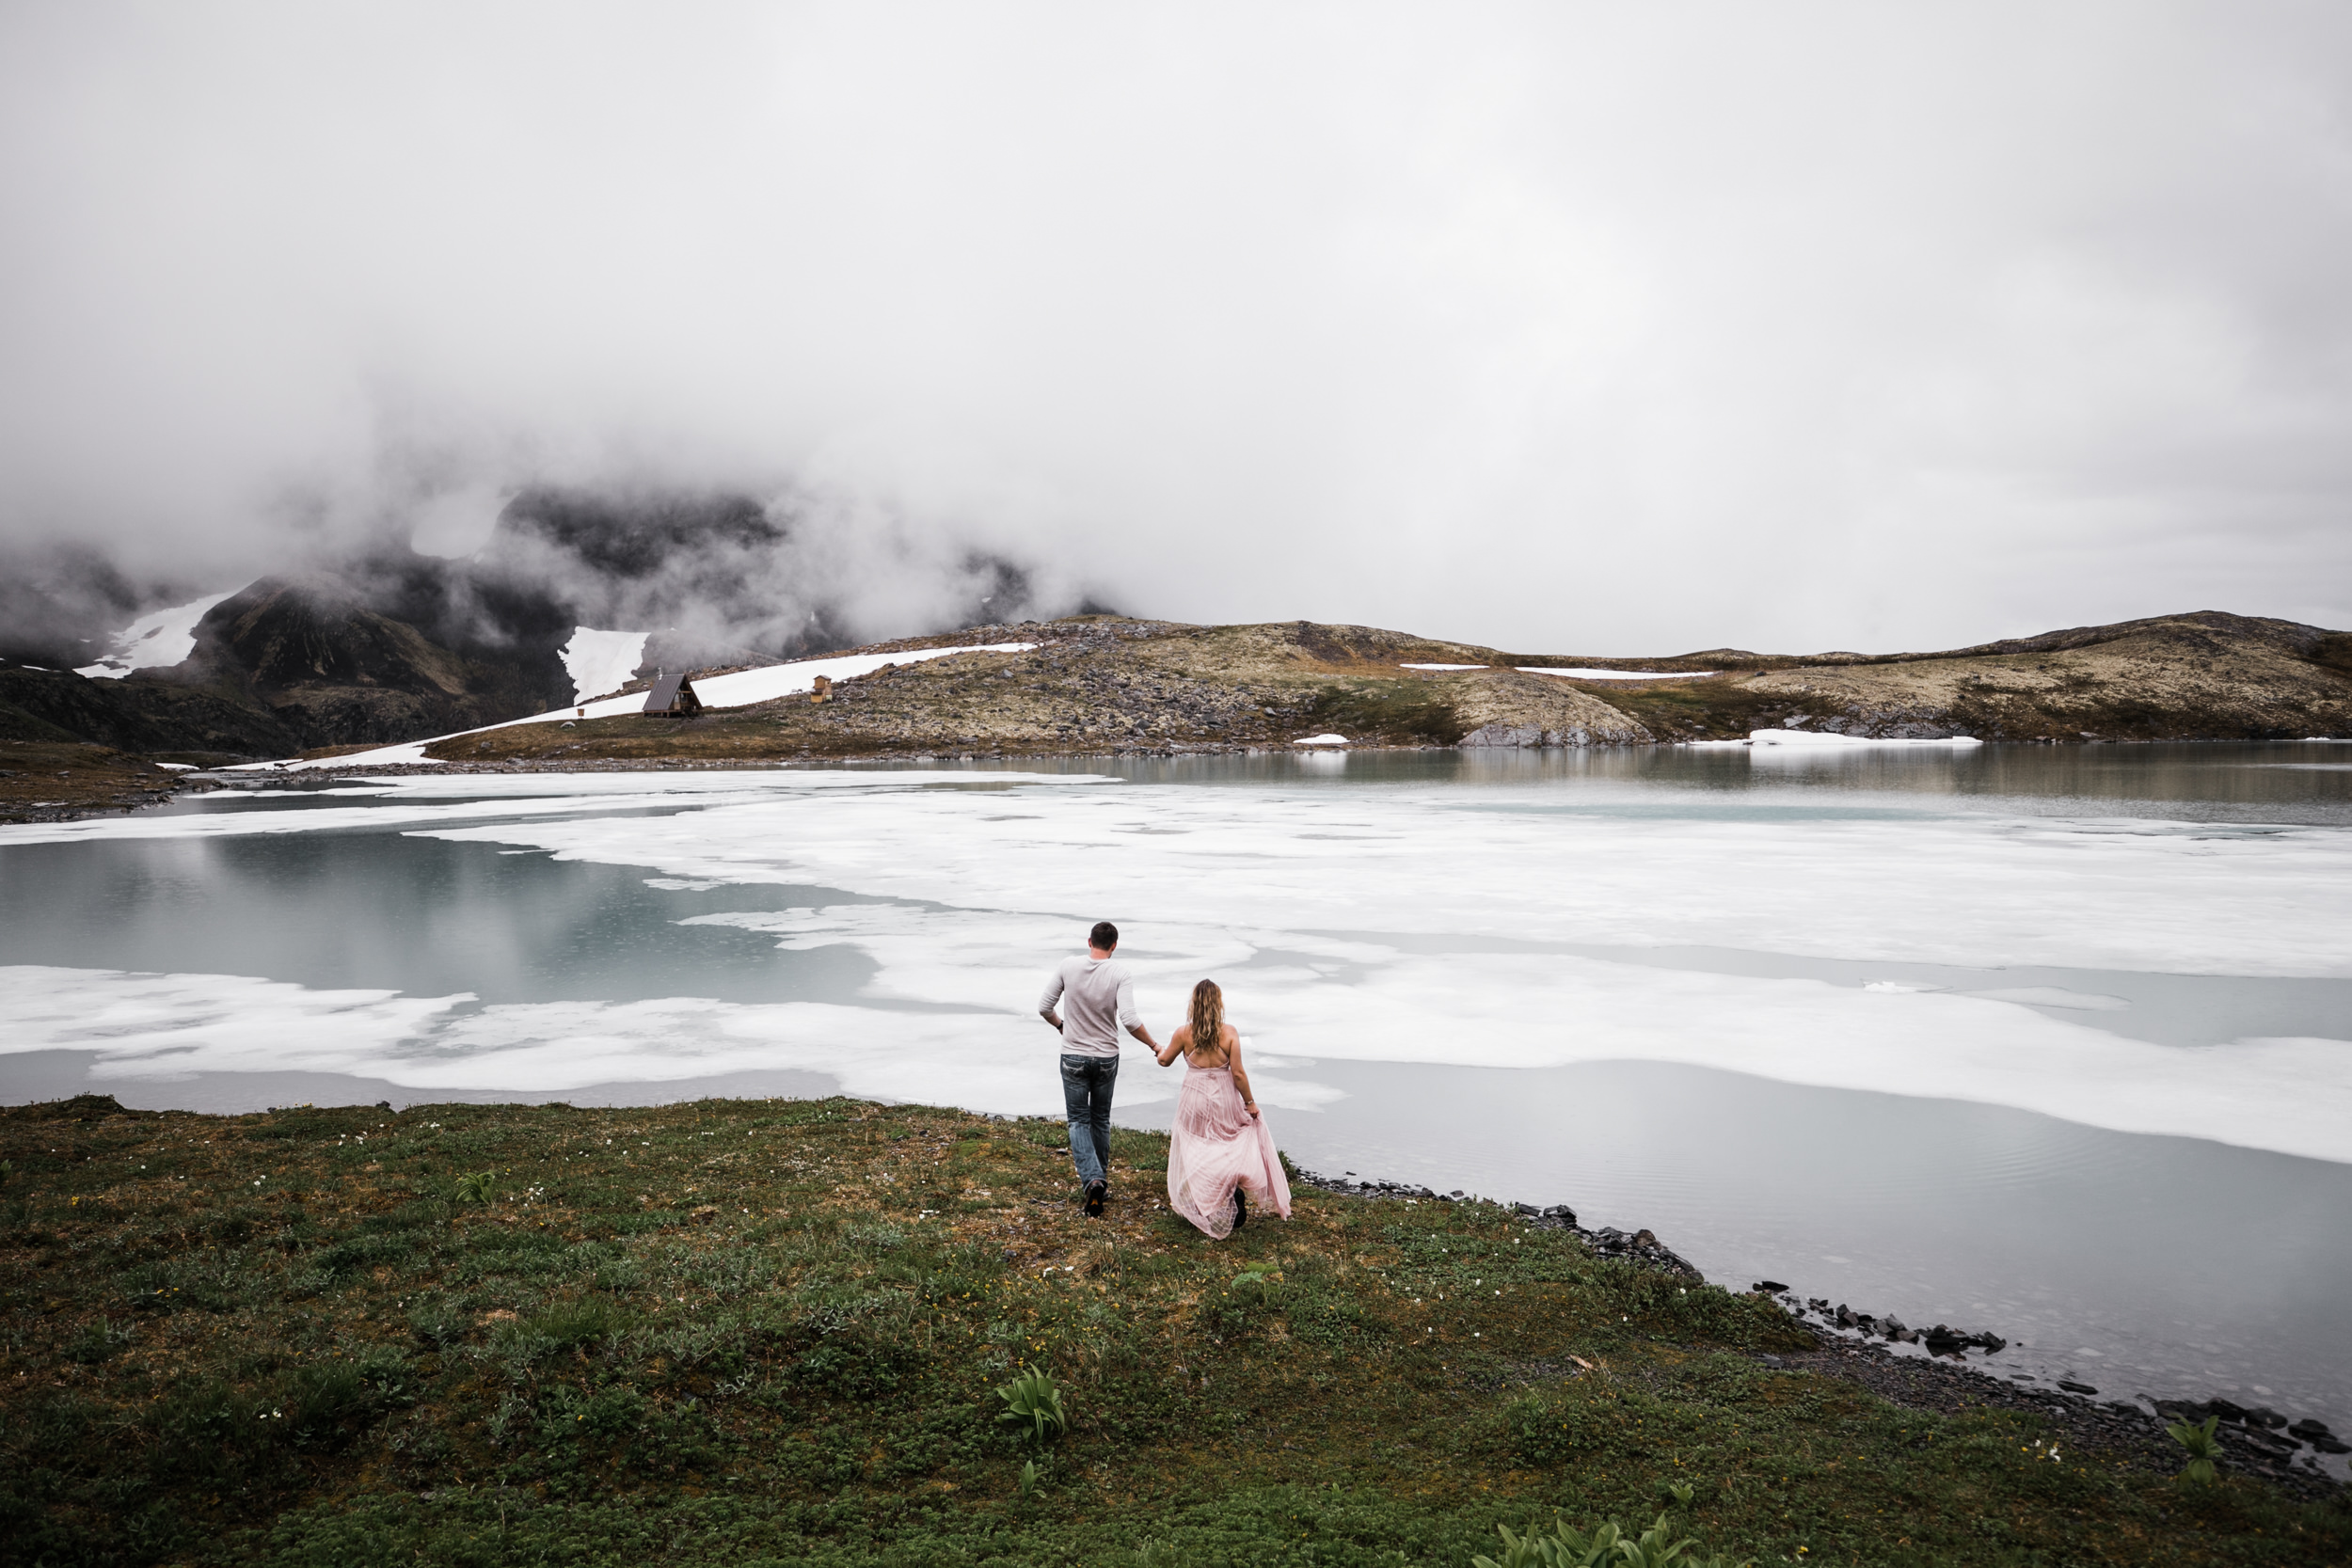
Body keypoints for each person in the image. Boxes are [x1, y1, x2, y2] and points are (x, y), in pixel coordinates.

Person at [1038, 921, 1159, 1217]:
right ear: (1114, 946)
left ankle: (1092, 1180)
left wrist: (1062, 1026)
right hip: (1106, 1058)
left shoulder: (1068, 965)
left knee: (1079, 1121)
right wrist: (1154, 1045)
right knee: (1100, 1120)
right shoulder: (1119, 973)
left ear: (1089, 941)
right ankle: (1099, 1183)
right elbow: (1129, 1019)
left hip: (1073, 1056)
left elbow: (1044, 1006)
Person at [1156, 978, 1292, 1239]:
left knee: (1198, 1146)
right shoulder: (1229, 1033)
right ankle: (1231, 1188)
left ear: (1193, 1004)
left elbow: (1165, 1061)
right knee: (1228, 1141)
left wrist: (1158, 1050)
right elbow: (1238, 1073)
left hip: (1193, 1097)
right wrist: (1250, 1102)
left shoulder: (1183, 1034)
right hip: (1223, 1096)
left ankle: (1211, 1199)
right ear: (1218, 1004)